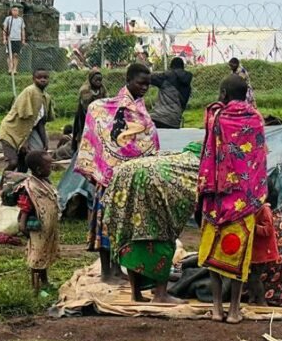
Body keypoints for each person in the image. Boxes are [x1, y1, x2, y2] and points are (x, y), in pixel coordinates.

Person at [75, 63, 160, 280]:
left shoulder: (139, 110)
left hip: (128, 178)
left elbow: (144, 140)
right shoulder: (105, 108)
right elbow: (98, 132)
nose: (144, 88)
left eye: (148, 85)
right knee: (107, 225)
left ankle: (116, 268)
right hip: (109, 177)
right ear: (129, 80)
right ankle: (106, 272)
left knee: (122, 226)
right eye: (141, 83)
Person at [198, 74, 269, 324]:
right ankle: (235, 310)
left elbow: (208, 141)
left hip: (219, 197)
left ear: (224, 95)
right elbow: (259, 156)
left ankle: (217, 308)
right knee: (239, 255)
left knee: (214, 254)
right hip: (245, 198)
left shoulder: (217, 117)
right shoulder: (257, 119)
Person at [105, 149, 198, 304]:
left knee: (131, 236)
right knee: (163, 235)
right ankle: (161, 295)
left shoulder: (178, 157)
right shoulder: (201, 164)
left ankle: (136, 294)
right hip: (152, 179)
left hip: (125, 172)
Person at [16, 150, 59, 291]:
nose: (51, 168)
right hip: (37, 229)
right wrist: (23, 226)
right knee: (36, 258)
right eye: (49, 165)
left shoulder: (44, 182)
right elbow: (25, 208)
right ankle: (36, 288)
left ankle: (45, 282)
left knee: (44, 256)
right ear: (39, 169)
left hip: (47, 229)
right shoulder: (30, 188)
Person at [0, 69, 54, 169]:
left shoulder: (46, 97)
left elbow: (40, 122)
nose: (43, 80)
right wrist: (25, 141)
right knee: (13, 162)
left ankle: (23, 182)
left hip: (28, 132)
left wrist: (44, 141)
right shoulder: (30, 91)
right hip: (12, 131)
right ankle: (3, 182)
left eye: (45, 78)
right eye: (39, 78)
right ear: (33, 79)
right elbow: (25, 117)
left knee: (25, 164)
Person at [150, 57, 193, 129]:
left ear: (171, 66)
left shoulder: (168, 76)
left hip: (158, 118)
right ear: (183, 67)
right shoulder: (187, 85)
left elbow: (149, 77)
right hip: (175, 121)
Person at [72, 68, 106, 150]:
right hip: (84, 117)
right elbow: (86, 106)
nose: (98, 82)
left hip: (98, 117)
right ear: (91, 79)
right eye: (96, 80)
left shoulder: (102, 89)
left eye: (100, 80)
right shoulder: (85, 90)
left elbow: (106, 101)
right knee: (84, 141)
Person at [2, 6, 26, 75]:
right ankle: (10, 69)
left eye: (16, 10)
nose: (15, 12)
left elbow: (22, 30)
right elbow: (5, 29)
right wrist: (4, 39)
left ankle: (15, 69)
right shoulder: (8, 19)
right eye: (14, 10)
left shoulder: (21, 20)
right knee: (9, 55)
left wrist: (23, 39)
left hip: (18, 39)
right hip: (10, 39)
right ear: (11, 11)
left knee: (16, 55)